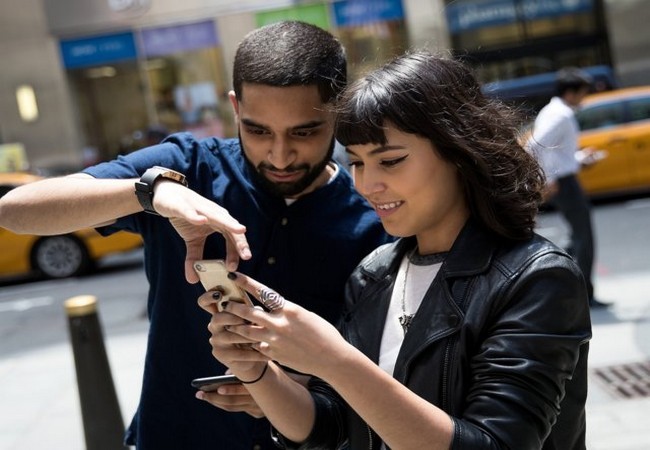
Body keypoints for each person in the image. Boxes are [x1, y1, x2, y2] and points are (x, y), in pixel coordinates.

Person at [0, 21, 389, 449]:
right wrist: (151, 193)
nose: (280, 155)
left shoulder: (375, 213)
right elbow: (16, 210)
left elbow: (384, 365)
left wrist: (297, 388)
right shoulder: (188, 166)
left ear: (338, 112)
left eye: (304, 132)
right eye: (258, 130)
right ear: (235, 108)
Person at [198, 51, 592, 449]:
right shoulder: (374, 272)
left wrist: (334, 361)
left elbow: (498, 441)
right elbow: (333, 425)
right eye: (356, 163)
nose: (368, 185)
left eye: (390, 160)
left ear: (459, 151)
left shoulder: (537, 278)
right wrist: (258, 371)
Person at [528, 67, 608, 308]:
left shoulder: (554, 111)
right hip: (563, 182)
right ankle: (580, 293)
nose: (584, 98)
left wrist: (580, 158)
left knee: (578, 237)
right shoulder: (560, 115)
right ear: (571, 92)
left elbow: (555, 152)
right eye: (583, 93)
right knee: (584, 237)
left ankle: (568, 287)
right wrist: (548, 178)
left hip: (564, 178)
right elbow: (535, 145)